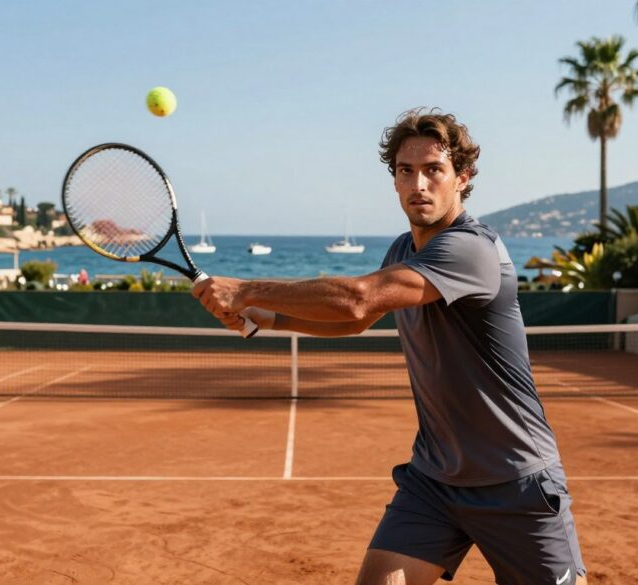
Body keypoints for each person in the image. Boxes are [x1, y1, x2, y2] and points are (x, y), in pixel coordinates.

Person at [193, 108, 586, 585]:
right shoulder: (403, 248)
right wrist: (270, 319)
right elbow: (357, 323)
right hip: (434, 482)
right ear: (395, 180)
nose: (418, 183)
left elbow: (358, 300)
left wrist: (247, 289)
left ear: (461, 178)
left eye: (433, 170)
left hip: (516, 481)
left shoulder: (472, 249)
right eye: (406, 171)